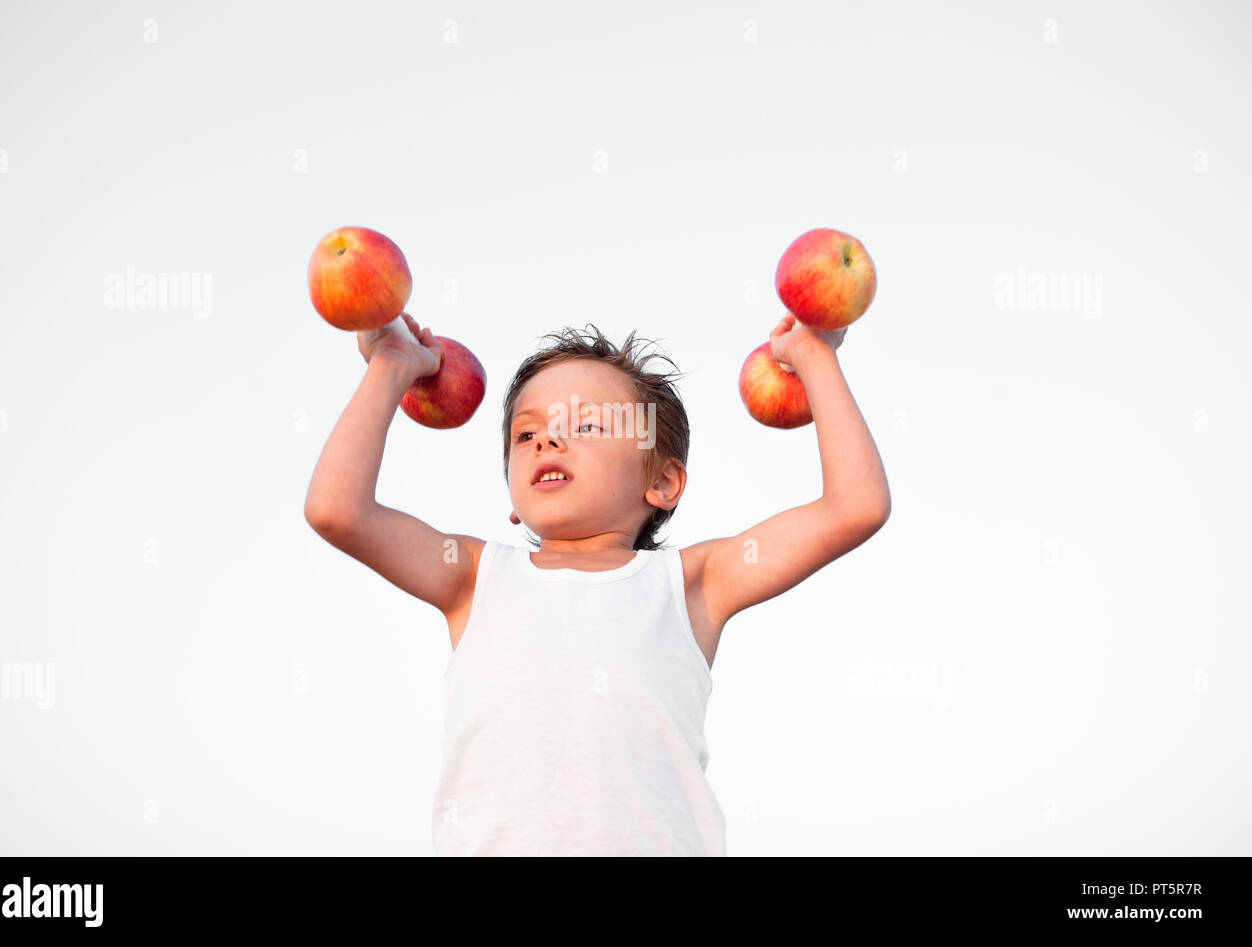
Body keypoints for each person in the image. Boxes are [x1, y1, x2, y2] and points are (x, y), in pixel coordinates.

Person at [304, 312, 891, 855]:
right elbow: (337, 509)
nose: (546, 441)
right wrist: (392, 366)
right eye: (525, 436)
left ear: (662, 481)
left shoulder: (691, 584)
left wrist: (815, 357)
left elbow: (855, 506)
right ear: (511, 495)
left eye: (585, 424)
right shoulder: (474, 577)